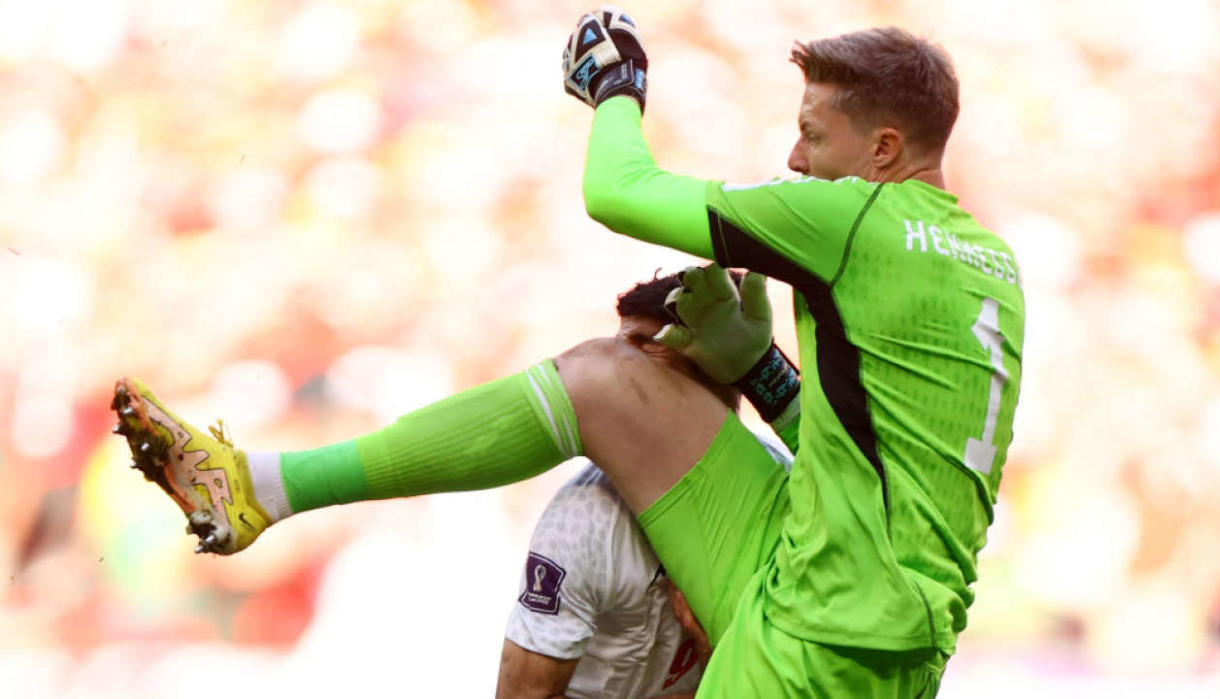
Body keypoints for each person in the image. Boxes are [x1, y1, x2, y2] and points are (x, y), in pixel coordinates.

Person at [113, 7, 1023, 696]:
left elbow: (617, 190)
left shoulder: (857, 214)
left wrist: (617, 87)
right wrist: (760, 369)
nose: (793, 156)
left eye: (815, 136)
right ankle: (258, 485)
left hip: (827, 638)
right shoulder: (991, 268)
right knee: (608, 382)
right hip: (849, 581)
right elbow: (880, 462)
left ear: (886, 149)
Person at [498, 271, 791, 699]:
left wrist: (713, 648)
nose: (615, 369)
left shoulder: (787, 496)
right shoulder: (586, 518)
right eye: (620, 348)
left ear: (722, 361)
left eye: (641, 349)